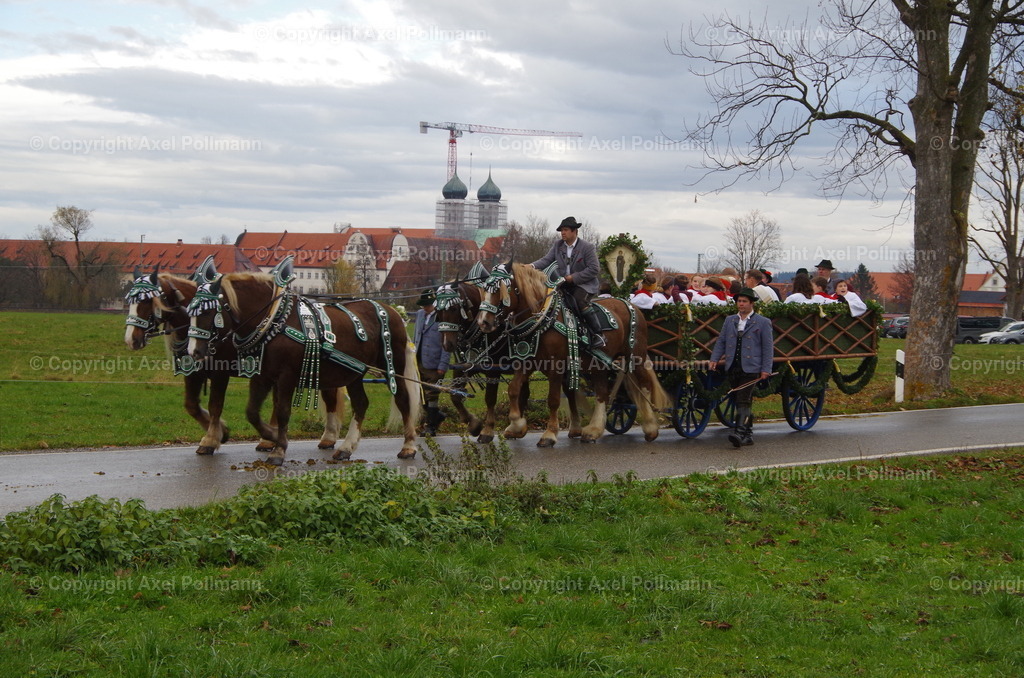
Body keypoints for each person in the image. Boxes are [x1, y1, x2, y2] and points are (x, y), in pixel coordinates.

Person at [709, 287, 774, 447]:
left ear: (752, 304)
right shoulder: (730, 320)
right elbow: (721, 341)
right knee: (743, 400)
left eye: (744, 301)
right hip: (733, 365)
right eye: (739, 301)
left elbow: (768, 348)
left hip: (751, 367)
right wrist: (714, 358)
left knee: (743, 399)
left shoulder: (763, 322)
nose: (741, 304)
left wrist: (766, 369)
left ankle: (739, 432)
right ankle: (748, 434)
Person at [530, 216, 605, 348]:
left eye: (565, 230)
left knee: (578, 300)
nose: (562, 233)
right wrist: (531, 266)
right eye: (561, 230)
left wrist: (573, 277)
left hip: (585, 284)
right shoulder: (557, 245)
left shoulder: (587, 247)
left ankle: (598, 334)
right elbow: (546, 260)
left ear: (574, 231)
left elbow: (594, 269)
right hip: (564, 284)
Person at [413, 289, 450, 436]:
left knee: (432, 394)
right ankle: (435, 417)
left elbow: (447, 344)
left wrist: (443, 365)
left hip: (435, 363)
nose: (425, 308)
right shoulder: (420, 314)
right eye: (423, 306)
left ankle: (431, 427)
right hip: (419, 360)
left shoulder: (442, 317)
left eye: (427, 306)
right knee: (422, 394)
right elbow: (416, 335)